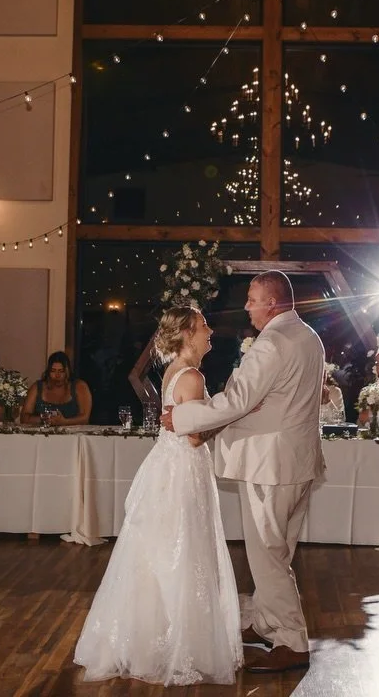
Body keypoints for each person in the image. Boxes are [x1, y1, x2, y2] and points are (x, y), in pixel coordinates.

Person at [162, 270, 324, 674]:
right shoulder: (308, 336)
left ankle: (291, 640)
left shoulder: (273, 343)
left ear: (272, 302)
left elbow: (238, 400)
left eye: (252, 299)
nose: (247, 306)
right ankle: (267, 620)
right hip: (299, 461)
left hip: (270, 464)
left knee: (268, 554)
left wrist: (183, 416)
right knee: (279, 549)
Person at [74, 305, 242, 685]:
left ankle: (148, 639)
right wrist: (226, 414)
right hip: (183, 469)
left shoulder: (172, 372)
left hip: (166, 466)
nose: (210, 331)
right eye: (203, 326)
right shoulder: (193, 377)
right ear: (186, 333)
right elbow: (197, 436)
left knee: (161, 551)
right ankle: (183, 646)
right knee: (185, 551)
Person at [20, 351, 92, 426]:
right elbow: (24, 418)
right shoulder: (37, 387)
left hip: (73, 436)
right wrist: (44, 418)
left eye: (61, 371)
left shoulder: (80, 386)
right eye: (53, 371)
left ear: (67, 372)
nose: (57, 375)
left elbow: (85, 418)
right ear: (48, 371)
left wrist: (64, 422)